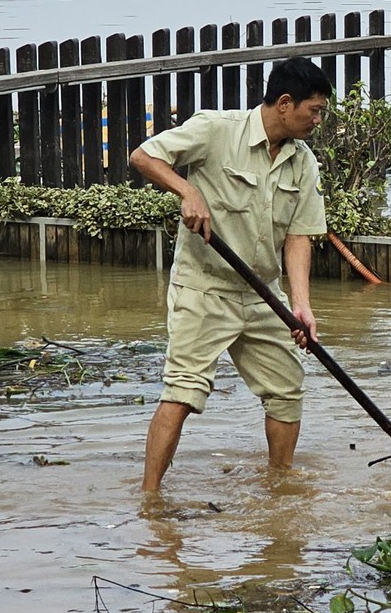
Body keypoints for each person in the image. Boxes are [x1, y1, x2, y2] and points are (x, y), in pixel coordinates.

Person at [128, 56, 332, 491]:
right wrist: (188, 191)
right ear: (284, 103)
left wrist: (301, 306)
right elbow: (143, 157)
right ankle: (149, 499)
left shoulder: (303, 162)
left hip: (263, 294)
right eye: (313, 110)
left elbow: (299, 237)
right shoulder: (216, 130)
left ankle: (279, 488)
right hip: (204, 289)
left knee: (286, 392)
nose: (318, 120)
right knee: (182, 393)